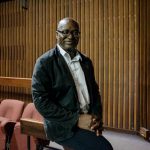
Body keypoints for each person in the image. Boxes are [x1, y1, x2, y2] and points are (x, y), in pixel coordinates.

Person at [32, 17, 113, 150]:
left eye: (75, 32)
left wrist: (96, 117)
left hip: (87, 120)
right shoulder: (44, 62)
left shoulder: (86, 62)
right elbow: (41, 102)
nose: (70, 36)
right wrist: (77, 119)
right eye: (65, 32)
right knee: (104, 148)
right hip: (62, 125)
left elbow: (95, 92)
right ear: (57, 34)